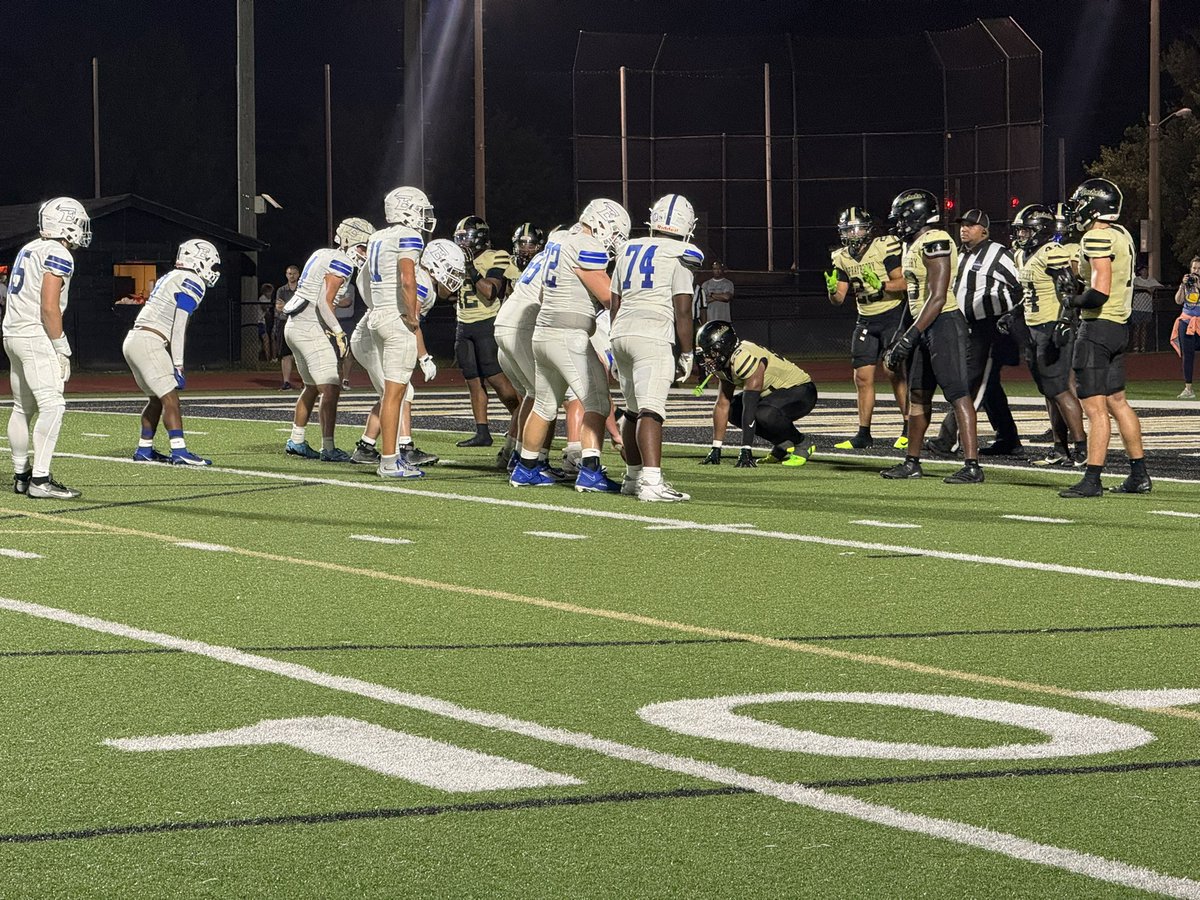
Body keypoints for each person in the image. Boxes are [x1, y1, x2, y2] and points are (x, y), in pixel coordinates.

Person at [509, 199, 630, 491]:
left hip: (543, 332)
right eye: (614, 232)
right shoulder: (587, 245)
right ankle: (590, 472)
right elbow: (606, 295)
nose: (613, 241)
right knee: (598, 401)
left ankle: (525, 468)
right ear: (601, 224)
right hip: (568, 333)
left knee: (544, 403)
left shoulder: (560, 239)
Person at [879, 189, 983, 485]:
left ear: (916, 215)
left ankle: (972, 464)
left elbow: (937, 297)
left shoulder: (936, 240)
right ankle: (912, 461)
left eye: (902, 217)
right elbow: (914, 298)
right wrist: (902, 333)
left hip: (944, 325)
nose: (898, 223)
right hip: (922, 325)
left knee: (957, 393)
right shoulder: (912, 244)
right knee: (918, 395)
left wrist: (909, 337)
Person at [1057, 177, 1151, 498]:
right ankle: (1139, 474)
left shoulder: (1095, 236)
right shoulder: (1121, 234)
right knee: (1117, 402)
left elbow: (1098, 292)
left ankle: (1092, 478)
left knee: (1095, 410)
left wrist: (1072, 300)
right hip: (1118, 328)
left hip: (1097, 329)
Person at [610, 193, 704, 501]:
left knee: (632, 411)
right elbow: (683, 310)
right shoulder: (682, 253)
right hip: (653, 334)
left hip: (621, 331)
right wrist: (688, 352)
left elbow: (615, 302)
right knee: (652, 410)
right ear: (687, 225)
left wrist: (613, 342)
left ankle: (632, 477)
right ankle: (651, 482)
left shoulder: (627, 249)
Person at [3, 197, 91, 499]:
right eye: (79, 223)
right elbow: (49, 307)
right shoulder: (57, 252)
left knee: (21, 407)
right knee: (53, 405)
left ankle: (21, 475)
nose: (81, 230)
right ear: (66, 223)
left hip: (12, 333)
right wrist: (61, 346)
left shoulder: (29, 248)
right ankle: (40, 480)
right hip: (34, 335)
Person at [350, 238, 462, 468]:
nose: (453, 276)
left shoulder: (422, 279)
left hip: (373, 334)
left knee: (391, 393)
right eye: (450, 269)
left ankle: (365, 447)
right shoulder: (421, 282)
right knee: (402, 391)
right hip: (372, 338)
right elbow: (411, 321)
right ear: (436, 264)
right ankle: (404, 448)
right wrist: (424, 357)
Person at [926, 208, 1023, 456]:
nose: (964, 229)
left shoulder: (998, 254)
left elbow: (1020, 286)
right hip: (966, 326)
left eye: (971, 225)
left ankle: (948, 439)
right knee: (988, 386)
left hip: (989, 327)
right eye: (962, 225)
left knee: (969, 382)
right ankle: (1008, 438)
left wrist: (1009, 317)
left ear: (984, 230)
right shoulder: (959, 254)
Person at [280, 217, 374, 463]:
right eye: (363, 247)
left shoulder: (322, 253)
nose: (365, 253)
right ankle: (328, 447)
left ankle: (296, 440)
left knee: (311, 387)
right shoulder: (343, 262)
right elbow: (323, 301)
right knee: (331, 387)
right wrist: (339, 332)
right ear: (350, 242)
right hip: (309, 326)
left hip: (294, 326)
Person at [122, 240, 220, 466]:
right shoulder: (193, 280)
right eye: (212, 265)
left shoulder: (172, 276)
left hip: (135, 339)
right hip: (149, 340)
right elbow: (179, 326)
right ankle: (180, 451)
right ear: (200, 260)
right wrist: (178, 364)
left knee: (156, 399)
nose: (213, 272)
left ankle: (144, 449)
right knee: (170, 399)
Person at [364, 186, 438, 478]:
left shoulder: (377, 237)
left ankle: (390, 457)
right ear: (406, 209)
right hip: (396, 318)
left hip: (377, 314)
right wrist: (412, 316)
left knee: (392, 393)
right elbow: (408, 280)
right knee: (396, 394)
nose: (424, 216)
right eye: (420, 210)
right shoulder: (408, 236)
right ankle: (389, 460)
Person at [824, 207, 909, 451]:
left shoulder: (884, 246)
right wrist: (832, 290)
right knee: (862, 377)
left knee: (894, 371)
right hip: (865, 319)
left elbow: (903, 283)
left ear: (868, 229)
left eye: (857, 228)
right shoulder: (841, 256)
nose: (853, 233)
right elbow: (839, 299)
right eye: (848, 229)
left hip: (892, 314)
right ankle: (863, 433)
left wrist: (881, 284)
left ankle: (907, 427)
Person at [1010, 203, 1087, 467]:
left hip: (1051, 326)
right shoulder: (1023, 256)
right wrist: (1014, 313)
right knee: (1049, 391)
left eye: (1025, 230)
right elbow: (1031, 292)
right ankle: (1059, 447)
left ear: (1040, 230)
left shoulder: (1052, 251)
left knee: (1060, 388)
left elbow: (1068, 288)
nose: (1021, 235)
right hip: (1033, 327)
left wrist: (1064, 322)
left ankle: (1081, 448)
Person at [695, 321, 817, 467]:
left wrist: (746, 449)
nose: (708, 358)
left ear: (725, 346)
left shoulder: (744, 358)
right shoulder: (724, 363)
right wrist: (716, 447)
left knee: (764, 413)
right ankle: (783, 444)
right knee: (733, 410)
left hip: (801, 391)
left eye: (711, 352)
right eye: (706, 353)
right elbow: (723, 404)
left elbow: (750, 406)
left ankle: (802, 443)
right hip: (773, 394)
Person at [452, 215, 521, 453]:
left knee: (496, 378)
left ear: (479, 238)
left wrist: (470, 267)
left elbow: (490, 291)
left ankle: (521, 419)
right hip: (463, 325)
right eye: (459, 239)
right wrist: (445, 270)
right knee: (472, 380)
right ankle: (482, 432)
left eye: (466, 238)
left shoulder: (497, 256)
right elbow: (443, 293)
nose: (462, 243)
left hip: (487, 323)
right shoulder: (458, 259)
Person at [1172, 256, 1200, 399]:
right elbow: (1178, 300)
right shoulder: (1187, 283)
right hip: (1186, 321)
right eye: (1194, 268)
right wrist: (1182, 286)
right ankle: (1188, 389)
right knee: (1187, 355)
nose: (1196, 271)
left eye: (1199, 269)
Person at [274, 265, 300, 389]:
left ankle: (305, 382)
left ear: (298, 274)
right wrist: (293, 307)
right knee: (285, 354)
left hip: (299, 323)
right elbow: (279, 307)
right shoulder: (281, 290)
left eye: (294, 273)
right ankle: (286, 382)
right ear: (286, 275)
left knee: (301, 354)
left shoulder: (302, 289)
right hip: (284, 323)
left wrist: (287, 306)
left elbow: (303, 307)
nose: (292, 276)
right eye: (290, 273)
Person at [1131, 264, 1161, 354]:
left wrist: (1153, 287)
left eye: (1146, 270)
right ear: (1140, 272)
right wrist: (1146, 289)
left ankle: (1143, 347)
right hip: (1137, 307)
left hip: (1147, 308)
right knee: (1137, 327)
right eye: (1143, 270)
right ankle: (1136, 346)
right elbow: (1133, 287)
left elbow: (1161, 286)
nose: (1145, 272)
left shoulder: (1151, 280)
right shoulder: (1136, 279)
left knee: (1144, 327)